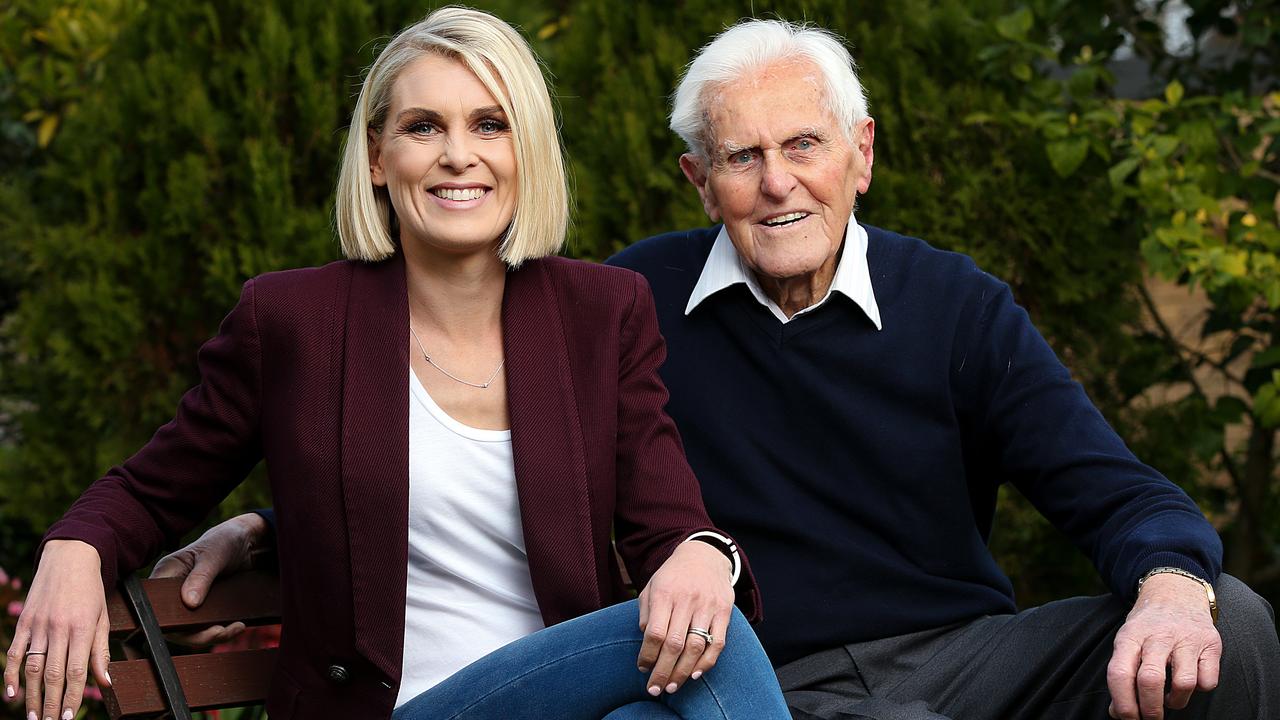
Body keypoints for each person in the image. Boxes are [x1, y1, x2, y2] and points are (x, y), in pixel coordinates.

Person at [169, 16, 1280, 720]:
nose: (775, 183)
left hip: (962, 660)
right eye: (740, 157)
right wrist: (281, 520)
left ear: (861, 156)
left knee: (1230, 626)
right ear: (698, 181)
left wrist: (1171, 584)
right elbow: (483, 441)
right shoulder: (623, 303)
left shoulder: (953, 304)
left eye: (801, 146)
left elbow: (1112, 488)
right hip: (758, 678)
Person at [1, 8, 795, 720]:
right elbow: (149, 486)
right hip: (389, 709)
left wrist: (702, 550)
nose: (459, 156)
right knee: (713, 647)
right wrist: (74, 550)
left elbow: (668, 528)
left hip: (561, 697)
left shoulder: (600, 313)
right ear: (378, 157)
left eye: (490, 124)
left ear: (527, 150)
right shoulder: (294, 321)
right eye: (423, 127)